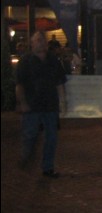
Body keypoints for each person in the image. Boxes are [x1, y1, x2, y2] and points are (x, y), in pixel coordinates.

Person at [15, 31, 68, 178]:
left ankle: (47, 167)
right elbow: (19, 85)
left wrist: (63, 101)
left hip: (50, 105)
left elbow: (59, 82)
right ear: (32, 43)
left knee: (51, 137)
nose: (40, 43)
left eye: (42, 40)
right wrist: (22, 102)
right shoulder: (25, 61)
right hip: (32, 105)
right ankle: (27, 157)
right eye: (37, 40)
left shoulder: (53, 60)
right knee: (30, 135)